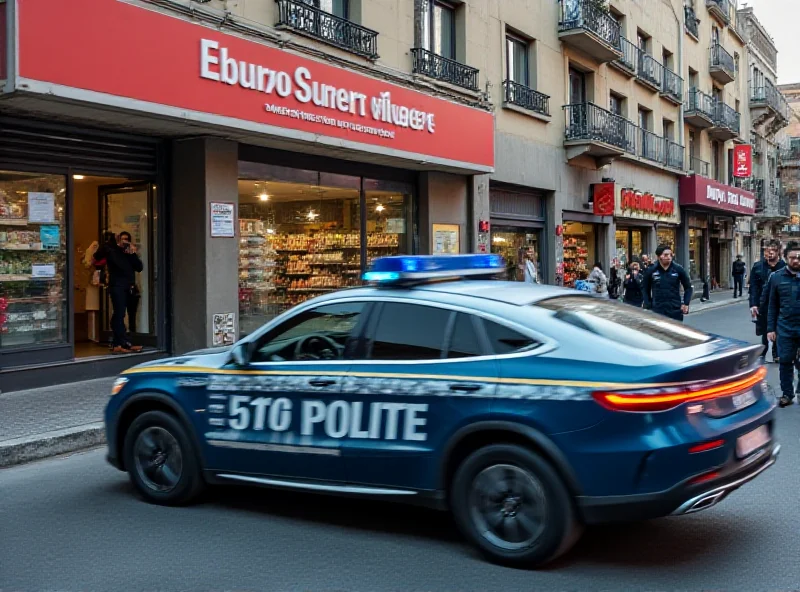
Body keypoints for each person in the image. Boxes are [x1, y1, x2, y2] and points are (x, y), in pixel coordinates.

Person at [94, 231, 144, 354]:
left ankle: (123, 342)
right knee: (119, 314)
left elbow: (139, 267)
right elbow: (98, 255)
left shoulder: (129, 253)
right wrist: (113, 244)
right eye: (123, 239)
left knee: (128, 314)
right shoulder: (112, 251)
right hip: (117, 286)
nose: (125, 241)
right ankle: (119, 343)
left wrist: (132, 253)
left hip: (129, 287)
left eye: (127, 239)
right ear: (118, 240)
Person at [766, 241, 800, 408]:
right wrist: (770, 328)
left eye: (799, 258)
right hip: (785, 327)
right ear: (786, 258)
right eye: (793, 258)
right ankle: (787, 394)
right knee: (785, 361)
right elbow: (772, 305)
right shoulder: (776, 277)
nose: (796, 261)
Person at [750, 239, 784, 363]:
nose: (769, 253)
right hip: (763, 304)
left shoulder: (784, 267)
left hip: (780, 303)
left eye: (773, 250)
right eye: (767, 250)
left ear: (778, 252)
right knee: (765, 329)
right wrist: (753, 304)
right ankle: (764, 351)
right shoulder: (758, 266)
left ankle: (776, 352)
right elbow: (753, 287)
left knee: (779, 328)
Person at [641, 244, 693, 321]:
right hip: (657, 310)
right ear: (659, 257)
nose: (669, 257)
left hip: (675, 310)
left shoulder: (678, 269)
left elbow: (688, 288)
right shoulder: (651, 270)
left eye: (670, 254)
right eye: (665, 255)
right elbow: (645, 288)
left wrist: (686, 303)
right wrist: (648, 304)